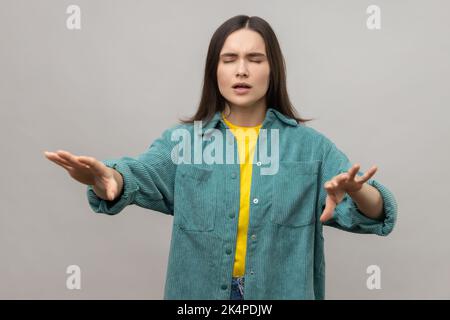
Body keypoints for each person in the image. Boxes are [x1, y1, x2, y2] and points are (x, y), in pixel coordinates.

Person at [44, 15, 397, 300]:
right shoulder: (184, 142)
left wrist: (356, 191)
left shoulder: (311, 148)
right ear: (215, 69)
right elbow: (140, 174)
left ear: (272, 69)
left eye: (254, 59)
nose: (241, 70)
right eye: (230, 60)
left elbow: (377, 214)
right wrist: (110, 178)